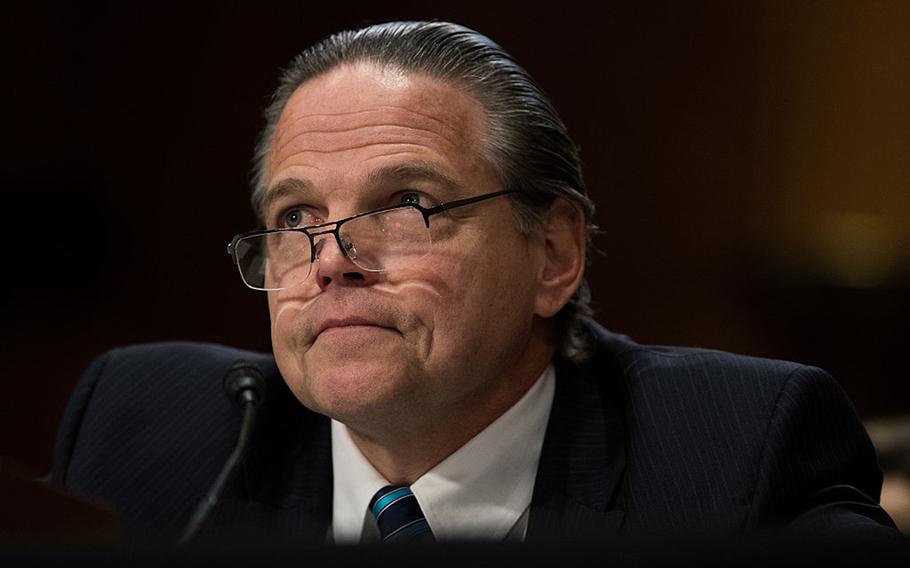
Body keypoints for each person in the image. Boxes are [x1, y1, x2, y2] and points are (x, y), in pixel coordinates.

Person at [51, 20, 907, 558]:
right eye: (296, 216)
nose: (330, 260)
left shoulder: (729, 455)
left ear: (554, 255)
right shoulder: (147, 430)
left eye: (407, 205)